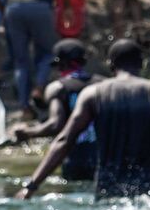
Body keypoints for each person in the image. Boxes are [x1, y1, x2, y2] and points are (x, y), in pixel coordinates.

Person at [17, 39, 150, 200]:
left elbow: (65, 140)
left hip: (108, 186)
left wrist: (31, 186)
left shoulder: (94, 94)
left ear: (110, 64)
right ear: (141, 63)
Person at [13, 38, 101, 182]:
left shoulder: (58, 88)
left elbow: (55, 124)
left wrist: (27, 132)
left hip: (75, 160)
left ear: (61, 64)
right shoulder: (104, 85)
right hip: (102, 160)